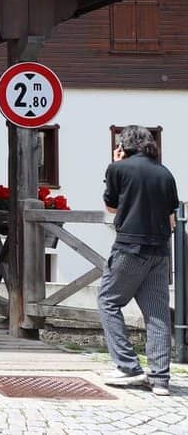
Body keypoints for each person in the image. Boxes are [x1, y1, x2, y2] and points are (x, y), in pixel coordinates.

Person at [99, 125, 178, 396]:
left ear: (125, 145)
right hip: (160, 251)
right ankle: (160, 380)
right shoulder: (165, 173)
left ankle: (129, 368)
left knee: (108, 301)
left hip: (130, 247)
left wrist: (116, 164)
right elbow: (171, 212)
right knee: (157, 314)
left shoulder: (118, 169)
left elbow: (111, 206)